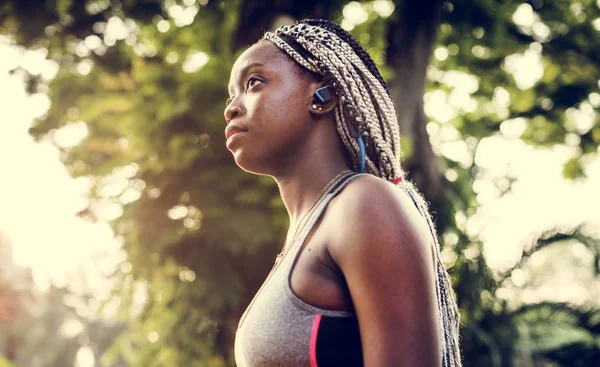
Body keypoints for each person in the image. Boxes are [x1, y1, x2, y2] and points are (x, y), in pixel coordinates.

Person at [224, 19, 461, 367]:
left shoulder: (364, 203)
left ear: (324, 96)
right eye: (232, 95)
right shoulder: (301, 238)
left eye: (254, 82)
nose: (231, 108)